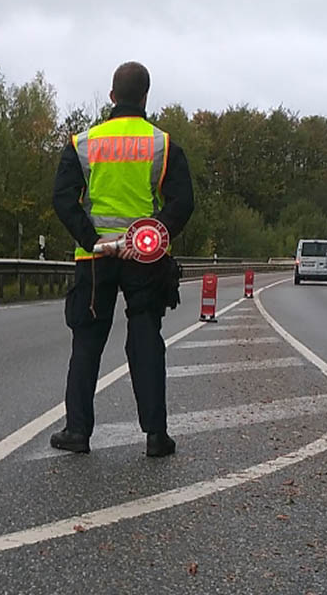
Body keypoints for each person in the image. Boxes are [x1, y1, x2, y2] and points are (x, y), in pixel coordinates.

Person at [51, 61, 194, 457]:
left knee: (87, 341)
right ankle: (155, 435)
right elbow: (183, 202)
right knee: (145, 337)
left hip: (93, 259)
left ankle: (77, 432)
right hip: (143, 259)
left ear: (112, 96)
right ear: (145, 97)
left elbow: (63, 198)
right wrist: (150, 236)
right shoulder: (161, 144)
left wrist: (92, 238)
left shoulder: (83, 143)